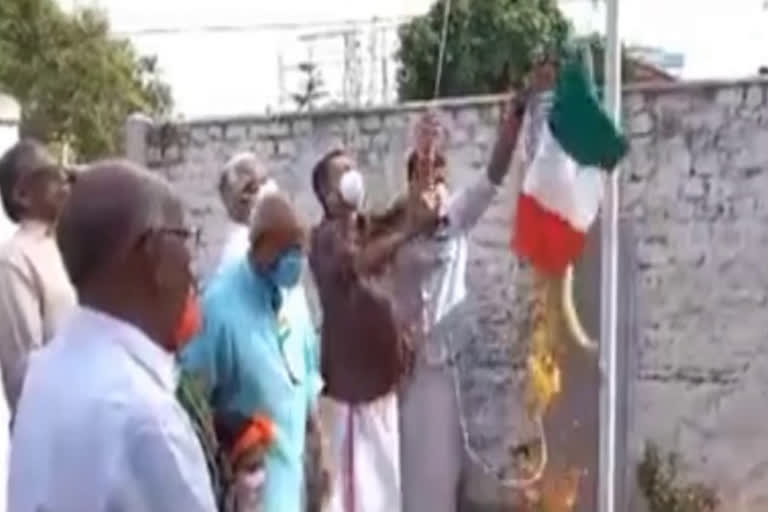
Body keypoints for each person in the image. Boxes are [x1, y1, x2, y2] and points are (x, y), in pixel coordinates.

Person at [8, 160, 217, 512]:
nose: (192, 267)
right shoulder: (148, 420)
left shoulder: (44, 372)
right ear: (153, 252)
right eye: (185, 237)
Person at [395, 72, 550, 512]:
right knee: (403, 475)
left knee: (441, 477)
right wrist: (420, 156)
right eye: (427, 178)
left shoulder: (456, 218)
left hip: (443, 368)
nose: (436, 188)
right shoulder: (396, 231)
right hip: (403, 373)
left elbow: (495, 171)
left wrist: (516, 111)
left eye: (441, 178)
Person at [308, 149, 438, 512]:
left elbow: (409, 208)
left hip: (381, 389)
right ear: (327, 193)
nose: (354, 175)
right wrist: (409, 230)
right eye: (343, 171)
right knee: (353, 499)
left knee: (383, 493)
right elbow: (361, 263)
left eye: (354, 167)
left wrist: (423, 156)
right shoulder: (324, 240)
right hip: (353, 398)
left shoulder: (365, 226)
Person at [181, 192, 325, 512]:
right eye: (287, 249)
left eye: (300, 249)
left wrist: (319, 461)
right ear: (260, 246)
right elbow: (191, 404)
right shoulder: (218, 310)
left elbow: (308, 386)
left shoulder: (294, 300)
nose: (296, 260)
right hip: (250, 495)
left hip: (296, 486)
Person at [0, 139, 76, 413]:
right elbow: (24, 370)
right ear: (23, 194)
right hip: (50, 428)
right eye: (52, 174)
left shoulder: (68, 246)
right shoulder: (15, 259)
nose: (65, 179)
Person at [217, 152, 277, 270]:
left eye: (266, 179)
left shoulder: (264, 238)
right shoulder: (243, 248)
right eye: (262, 181)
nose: (271, 186)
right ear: (244, 197)